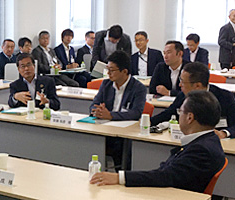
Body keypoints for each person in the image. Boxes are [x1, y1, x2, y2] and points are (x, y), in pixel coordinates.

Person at [90, 90, 226, 194]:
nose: (179, 116)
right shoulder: (207, 140)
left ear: (190, 117)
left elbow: (165, 176)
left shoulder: (201, 150)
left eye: (181, 111)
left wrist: (119, 177)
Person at [90, 50, 146, 171]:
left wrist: (110, 115)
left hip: (124, 135)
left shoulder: (138, 88)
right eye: (107, 69)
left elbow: (136, 113)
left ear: (124, 71)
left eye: (112, 70)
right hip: (104, 130)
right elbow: (93, 104)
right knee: (88, 140)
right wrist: (97, 111)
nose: (108, 73)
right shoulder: (106, 84)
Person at [151, 62, 235, 139]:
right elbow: (168, 113)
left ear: (197, 86)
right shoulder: (183, 95)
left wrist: (224, 133)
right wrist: (148, 122)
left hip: (216, 142)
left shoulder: (225, 97)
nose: (180, 85)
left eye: (183, 82)